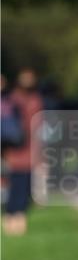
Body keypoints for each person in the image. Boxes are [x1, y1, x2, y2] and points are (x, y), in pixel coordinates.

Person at [2, 69, 43, 236]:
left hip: (22, 151)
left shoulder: (18, 99)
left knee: (20, 187)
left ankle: (14, 219)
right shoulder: (15, 100)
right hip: (16, 150)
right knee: (17, 187)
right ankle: (14, 220)